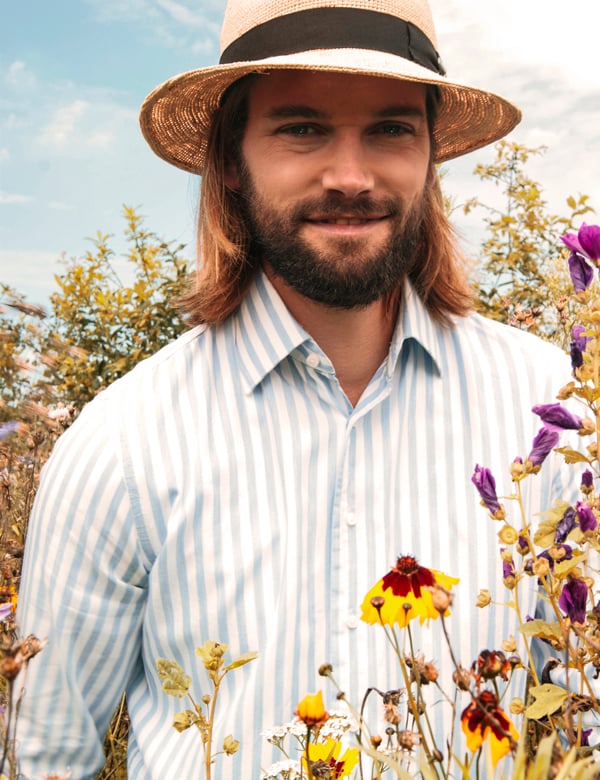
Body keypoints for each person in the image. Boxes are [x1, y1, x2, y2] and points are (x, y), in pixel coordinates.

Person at [16, 0, 575, 777]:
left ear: (429, 157)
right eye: (302, 127)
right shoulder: (124, 442)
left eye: (390, 128)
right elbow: (51, 756)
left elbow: (582, 709)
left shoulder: (547, 409)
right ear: (232, 161)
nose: (351, 177)